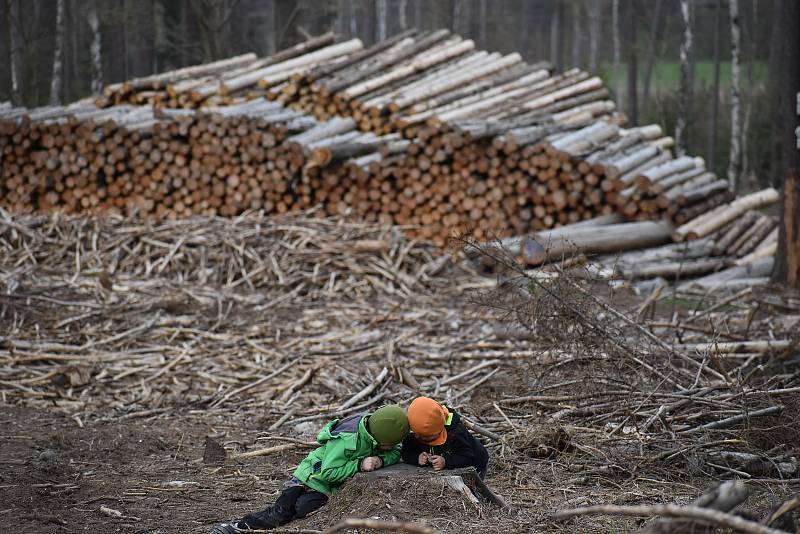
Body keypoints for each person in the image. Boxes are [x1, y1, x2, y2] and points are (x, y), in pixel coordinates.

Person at [211, 404, 409, 533]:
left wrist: (381, 461)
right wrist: (359, 464)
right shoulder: (347, 440)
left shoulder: (375, 432)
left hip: (324, 488)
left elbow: (395, 453)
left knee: (303, 509)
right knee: (280, 513)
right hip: (307, 477)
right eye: (387, 446)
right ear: (378, 439)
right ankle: (236, 527)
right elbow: (329, 473)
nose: (390, 450)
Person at [401, 396, 489, 478]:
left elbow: (467, 457)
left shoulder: (455, 434)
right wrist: (416, 457)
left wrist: (446, 461)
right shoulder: (414, 432)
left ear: (440, 429)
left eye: (429, 437)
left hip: (477, 464)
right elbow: (405, 452)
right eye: (419, 436)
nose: (423, 439)